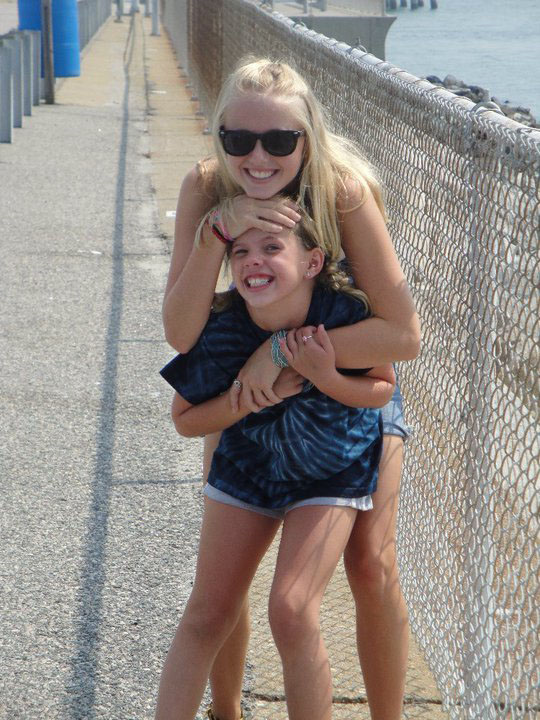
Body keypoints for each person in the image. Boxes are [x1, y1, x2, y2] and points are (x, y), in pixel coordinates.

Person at [161, 57, 421, 720]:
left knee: (371, 564)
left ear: (308, 139)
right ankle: (225, 708)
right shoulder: (207, 186)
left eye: (279, 140)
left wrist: (280, 352)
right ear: (219, 135)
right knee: (223, 580)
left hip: (346, 377)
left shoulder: (342, 192)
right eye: (238, 138)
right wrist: (217, 234)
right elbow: (182, 335)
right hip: (249, 386)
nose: (257, 157)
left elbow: (400, 336)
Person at [156, 218, 396, 720]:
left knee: (291, 608)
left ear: (312, 262)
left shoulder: (344, 312)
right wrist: (246, 399)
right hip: (249, 466)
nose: (254, 261)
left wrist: (325, 375)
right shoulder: (224, 324)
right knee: (207, 613)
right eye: (241, 252)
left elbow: (382, 390)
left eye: (271, 247)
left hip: (333, 469)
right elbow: (184, 419)